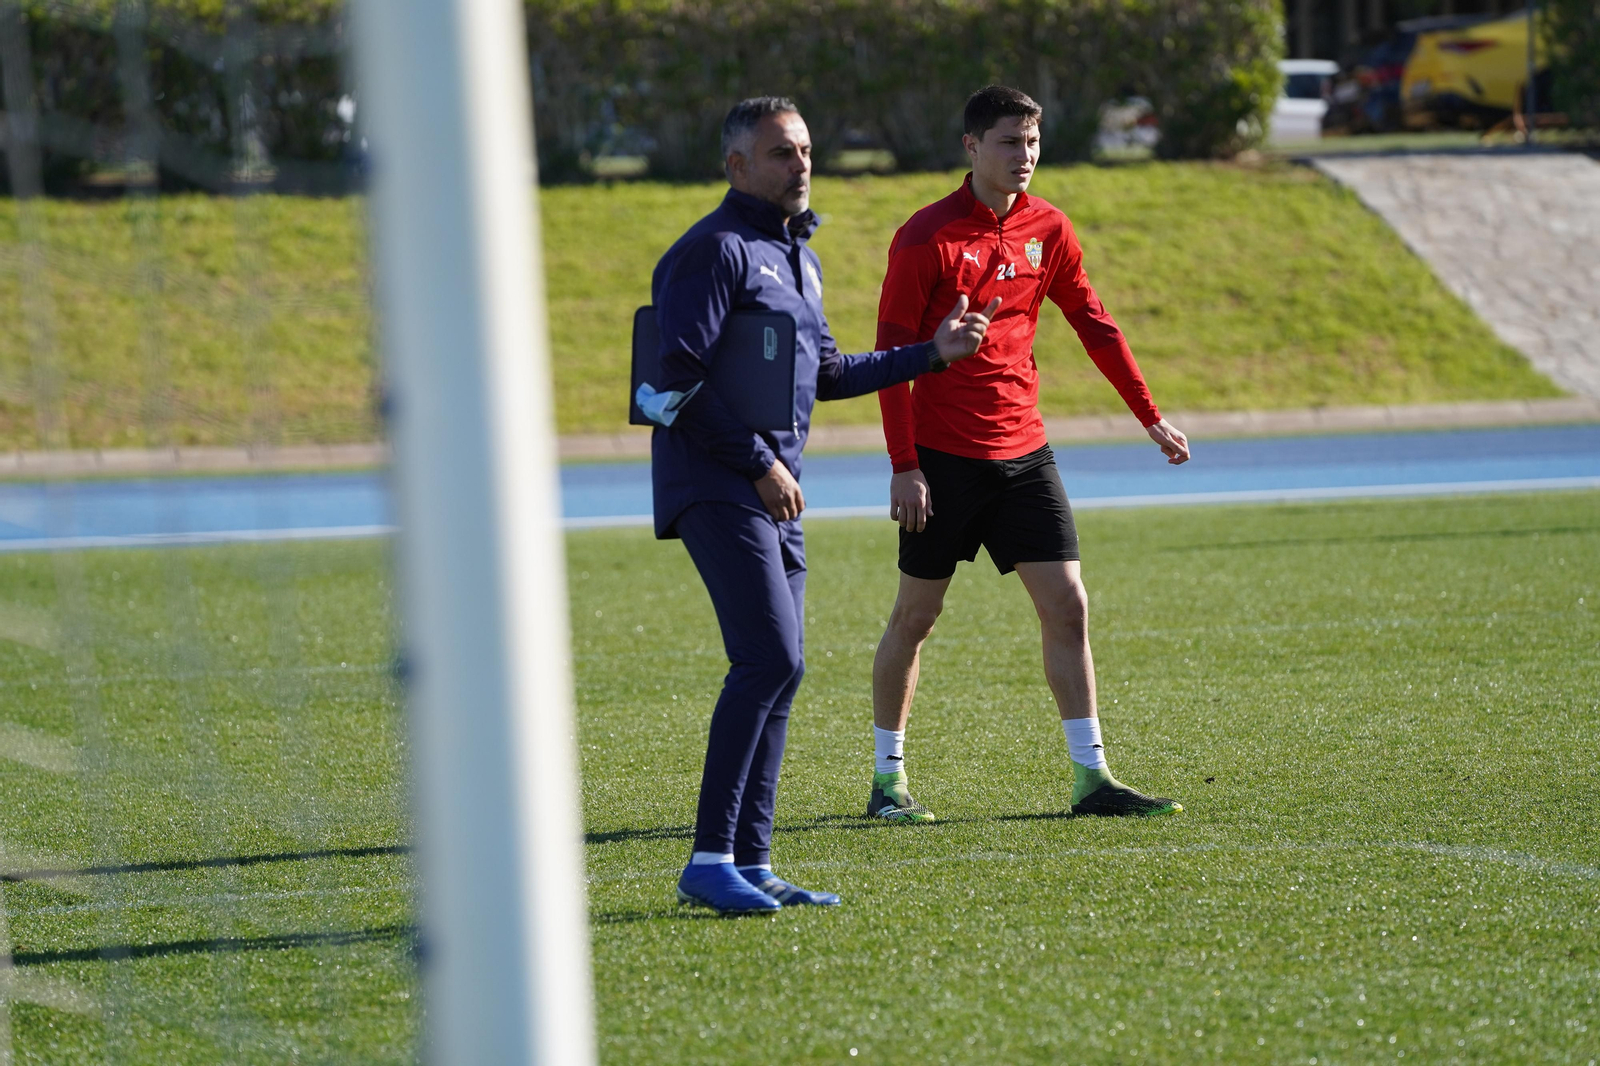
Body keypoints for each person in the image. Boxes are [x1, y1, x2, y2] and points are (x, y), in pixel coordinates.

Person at [648, 96, 999, 914]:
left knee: (783, 669)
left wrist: (932, 355)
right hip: (718, 481)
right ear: (737, 166)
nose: (800, 164)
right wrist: (761, 463)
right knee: (769, 659)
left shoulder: (798, 258)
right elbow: (673, 381)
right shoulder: (713, 251)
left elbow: (830, 372)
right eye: (780, 153)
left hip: (775, 491)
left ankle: (752, 860)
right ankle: (708, 859)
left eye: (805, 149)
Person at [866, 85, 1190, 824]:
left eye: (1033, 143)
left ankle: (1092, 778)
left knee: (1068, 603)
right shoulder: (924, 237)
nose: (1025, 157)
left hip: (1025, 454)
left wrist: (1150, 416)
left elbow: (1095, 324)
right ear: (972, 147)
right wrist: (903, 464)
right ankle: (888, 784)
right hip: (941, 459)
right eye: (1010, 143)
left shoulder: (1050, 227)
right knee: (916, 618)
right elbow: (891, 356)